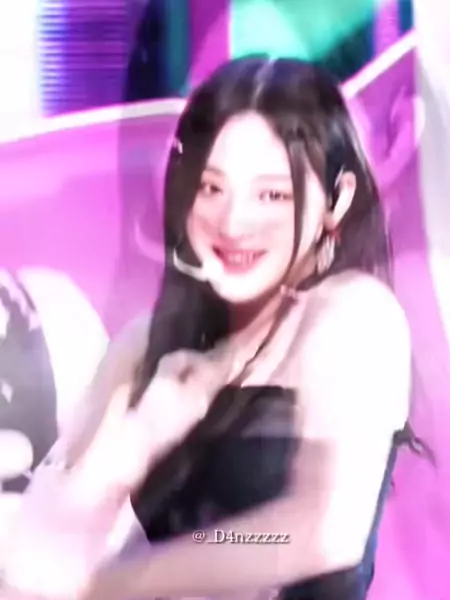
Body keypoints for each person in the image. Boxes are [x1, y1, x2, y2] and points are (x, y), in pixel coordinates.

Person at [1, 57, 414, 600]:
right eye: (212, 188)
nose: (233, 222)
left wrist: (121, 582)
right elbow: (35, 561)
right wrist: (141, 436)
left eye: (272, 195)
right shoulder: (146, 346)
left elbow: (323, 532)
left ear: (336, 199)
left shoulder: (352, 314)